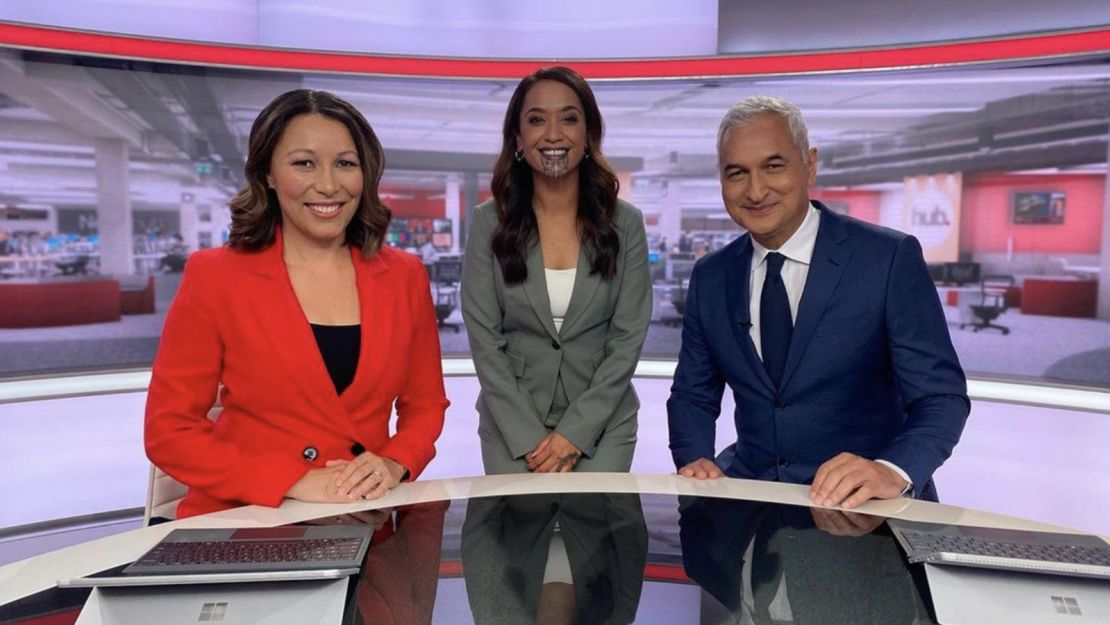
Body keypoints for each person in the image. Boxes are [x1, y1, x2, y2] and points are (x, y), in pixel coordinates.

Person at [145, 89, 448, 518]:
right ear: (267, 173)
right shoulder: (215, 275)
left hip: (363, 522)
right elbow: (168, 430)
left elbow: (425, 405)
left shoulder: (404, 276)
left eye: (345, 163)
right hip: (244, 520)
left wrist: (394, 461)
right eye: (304, 163)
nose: (328, 184)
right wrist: (296, 480)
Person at [667, 96, 968, 508]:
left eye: (774, 166)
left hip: (865, 510)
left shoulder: (886, 258)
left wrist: (892, 469)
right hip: (752, 502)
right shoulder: (712, 276)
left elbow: (941, 397)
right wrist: (695, 459)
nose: (756, 190)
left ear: (809, 164)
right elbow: (693, 395)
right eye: (737, 173)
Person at [462, 66, 652, 474]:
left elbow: (627, 338)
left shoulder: (626, 224)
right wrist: (531, 439)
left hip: (603, 425)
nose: (552, 134)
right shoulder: (487, 223)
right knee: (518, 535)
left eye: (568, 118)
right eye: (536, 120)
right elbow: (485, 340)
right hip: (512, 423)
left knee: (594, 535)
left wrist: (575, 434)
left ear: (588, 135)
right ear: (518, 138)